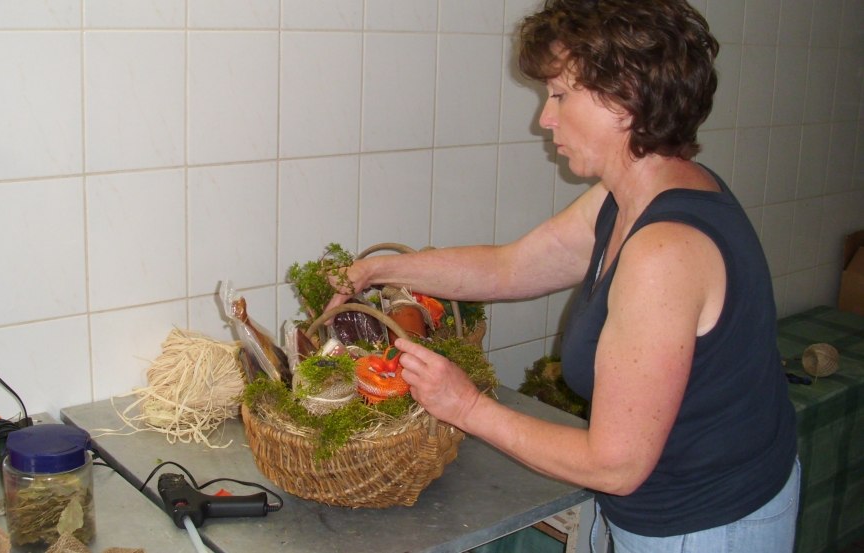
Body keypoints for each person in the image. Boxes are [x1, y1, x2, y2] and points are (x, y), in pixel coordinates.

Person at [324, 1, 800, 551]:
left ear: (625, 99)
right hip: (679, 505)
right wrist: (384, 270)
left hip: (703, 526)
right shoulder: (632, 196)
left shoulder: (664, 252)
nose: (545, 119)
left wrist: (467, 407)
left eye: (559, 95)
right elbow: (511, 267)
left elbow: (616, 465)